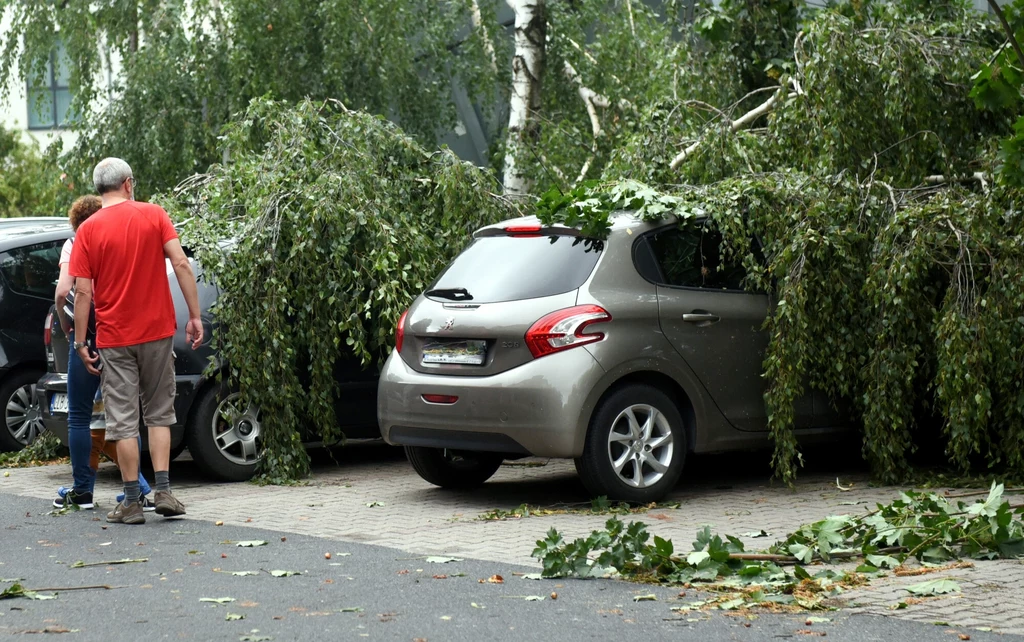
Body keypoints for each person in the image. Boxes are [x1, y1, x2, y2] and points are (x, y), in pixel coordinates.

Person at [69, 157, 203, 525]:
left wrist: (81, 343)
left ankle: (131, 502)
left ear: (100, 188)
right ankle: (163, 492)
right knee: (159, 413)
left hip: (114, 338)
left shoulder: (88, 230)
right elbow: (181, 264)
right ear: (128, 184)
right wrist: (193, 315)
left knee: (123, 421)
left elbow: (82, 293)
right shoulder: (154, 215)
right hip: (158, 332)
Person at [52, 196, 155, 511]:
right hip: (121, 333)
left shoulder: (75, 243)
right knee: (123, 417)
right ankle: (137, 490)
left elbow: (62, 293)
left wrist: (71, 330)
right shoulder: (119, 240)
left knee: (80, 415)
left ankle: (82, 491)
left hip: (89, 334)